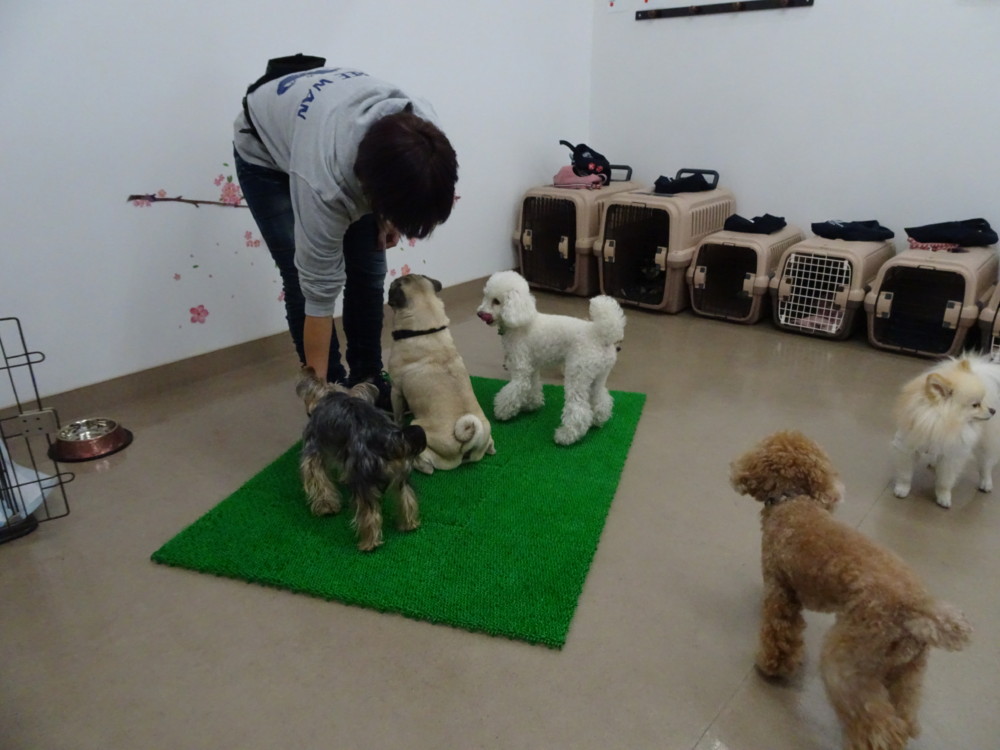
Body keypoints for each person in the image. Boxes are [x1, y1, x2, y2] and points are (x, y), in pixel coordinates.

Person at [233, 58, 458, 407]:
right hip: (265, 154)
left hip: (333, 127)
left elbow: (412, 186)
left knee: (368, 270)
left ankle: (368, 378)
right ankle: (334, 395)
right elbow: (317, 296)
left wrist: (388, 218)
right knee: (301, 278)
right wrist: (321, 399)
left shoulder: (426, 136)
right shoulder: (324, 182)